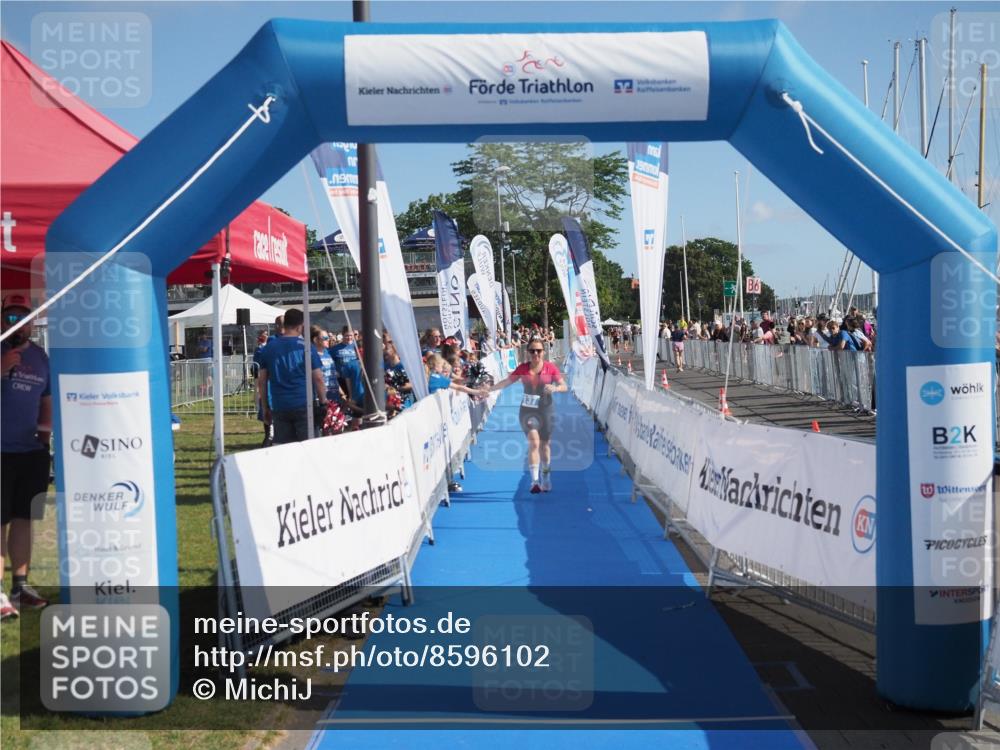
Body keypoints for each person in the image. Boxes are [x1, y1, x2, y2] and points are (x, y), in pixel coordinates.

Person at [1, 295, 51, 618]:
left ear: (32, 322)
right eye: (10, 317)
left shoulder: (41, 357)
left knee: (23, 518)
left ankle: (20, 586)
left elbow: (46, 400)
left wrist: (44, 439)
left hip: (31, 451)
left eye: (23, 317)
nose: (17, 323)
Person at [485, 337, 567, 494]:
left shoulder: (550, 368)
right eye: (532, 351)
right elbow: (506, 382)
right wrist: (489, 390)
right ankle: (534, 481)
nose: (535, 354)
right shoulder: (522, 368)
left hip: (546, 410)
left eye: (538, 351)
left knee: (545, 446)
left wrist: (556, 388)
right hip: (528, 411)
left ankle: (546, 477)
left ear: (544, 352)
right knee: (534, 443)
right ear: (528, 352)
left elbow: (564, 385)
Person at [256, 308, 327, 444]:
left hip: (279, 405)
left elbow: (262, 381)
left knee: (285, 451)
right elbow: (318, 378)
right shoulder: (306, 347)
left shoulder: (269, 348)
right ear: (301, 325)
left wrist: (265, 407)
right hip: (304, 404)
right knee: (310, 448)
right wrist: (324, 402)